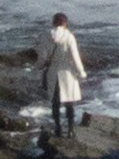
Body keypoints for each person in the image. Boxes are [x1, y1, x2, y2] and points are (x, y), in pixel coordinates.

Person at [37, 10, 87, 145]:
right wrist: (81, 72)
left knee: (55, 102)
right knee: (69, 102)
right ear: (65, 23)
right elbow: (75, 57)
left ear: (53, 22)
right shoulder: (69, 37)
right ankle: (70, 129)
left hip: (53, 72)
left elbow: (42, 58)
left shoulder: (45, 36)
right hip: (67, 73)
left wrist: (39, 66)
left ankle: (58, 128)